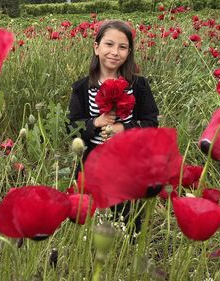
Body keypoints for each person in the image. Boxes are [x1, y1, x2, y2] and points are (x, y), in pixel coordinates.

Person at [68, 20, 159, 233]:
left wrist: (124, 129)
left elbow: (151, 122)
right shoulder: (81, 88)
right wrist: (95, 123)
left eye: (122, 47)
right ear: (96, 47)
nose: (115, 52)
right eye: (109, 44)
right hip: (91, 164)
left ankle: (127, 253)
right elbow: (71, 126)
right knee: (92, 218)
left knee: (128, 217)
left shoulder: (139, 86)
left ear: (129, 52)